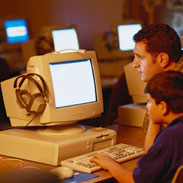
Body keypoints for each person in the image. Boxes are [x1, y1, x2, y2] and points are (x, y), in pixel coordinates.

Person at [91, 70, 183, 182]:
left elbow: (135, 180)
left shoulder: (170, 137)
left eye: (149, 102)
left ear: (163, 107)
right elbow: (151, 153)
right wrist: (156, 118)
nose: (147, 107)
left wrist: (110, 164)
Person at [132, 23, 183, 152]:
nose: (134, 64)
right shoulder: (162, 83)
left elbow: (152, 152)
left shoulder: (178, 88)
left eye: (140, 57)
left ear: (162, 59)